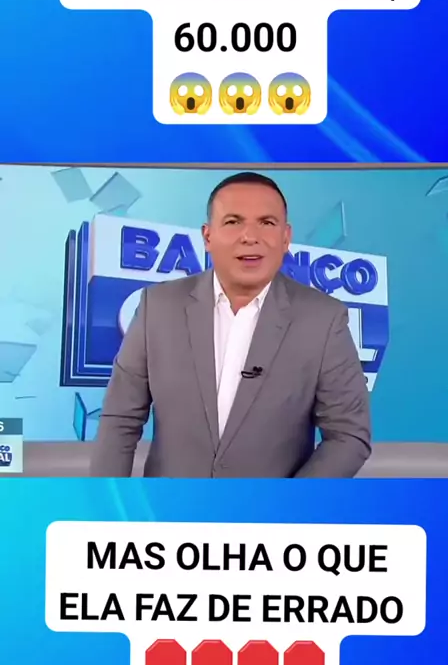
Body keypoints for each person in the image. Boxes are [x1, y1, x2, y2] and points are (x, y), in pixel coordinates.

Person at [90, 171, 371, 477]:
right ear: (208, 236)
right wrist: (105, 500)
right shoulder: (156, 307)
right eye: (233, 221)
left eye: (267, 223)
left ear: (286, 237)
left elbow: (348, 436)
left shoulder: (323, 319)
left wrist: (290, 501)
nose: (250, 236)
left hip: (271, 506)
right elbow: (120, 419)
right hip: (169, 504)